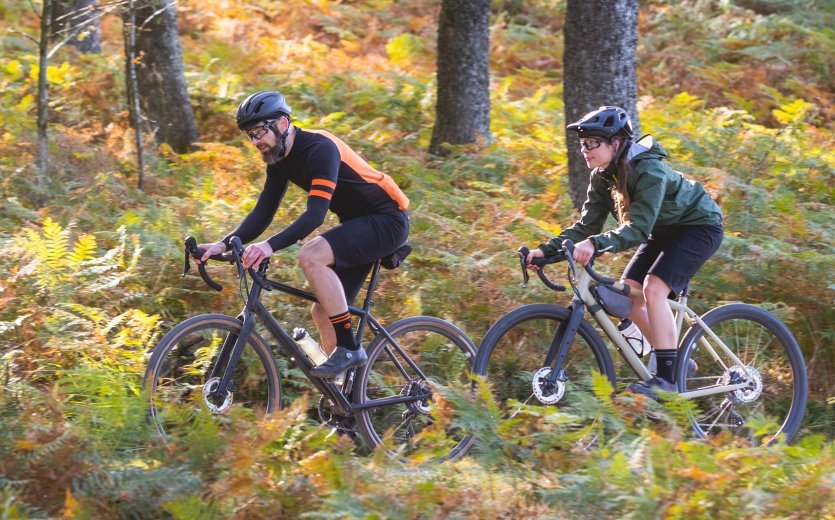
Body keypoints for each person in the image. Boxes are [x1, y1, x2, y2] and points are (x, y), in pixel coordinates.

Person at [195, 90, 410, 377]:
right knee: (323, 312)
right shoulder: (279, 158)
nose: (256, 141)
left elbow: (315, 216)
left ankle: (349, 348)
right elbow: (262, 214)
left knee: (311, 255)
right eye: (250, 135)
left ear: (282, 124)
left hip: (387, 220)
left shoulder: (319, 148)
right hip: (359, 225)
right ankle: (344, 401)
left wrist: (268, 247)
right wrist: (222, 245)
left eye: (259, 131)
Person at [525, 106, 723, 398]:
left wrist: (596, 243)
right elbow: (586, 225)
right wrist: (546, 251)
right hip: (662, 231)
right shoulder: (602, 176)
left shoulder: (649, 169)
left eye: (592, 142)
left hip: (698, 226)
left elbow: (638, 228)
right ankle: (681, 363)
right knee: (627, 293)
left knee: (653, 289)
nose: (584, 149)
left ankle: (667, 379)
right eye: (582, 143)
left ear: (616, 143)